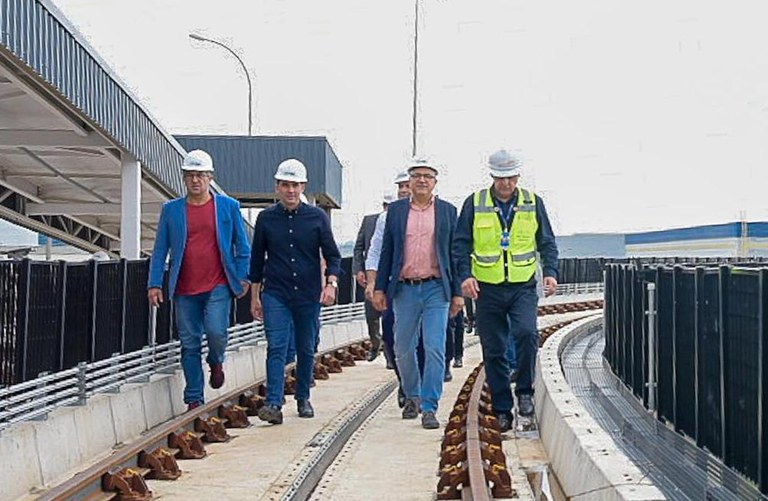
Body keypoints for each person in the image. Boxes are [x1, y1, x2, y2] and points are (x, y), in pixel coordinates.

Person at [452, 149, 558, 432]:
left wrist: (550, 273)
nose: (506, 184)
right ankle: (502, 409)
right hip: (486, 289)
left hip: (522, 286)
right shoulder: (475, 203)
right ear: (492, 176)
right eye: (501, 178)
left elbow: (546, 241)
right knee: (494, 349)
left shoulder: (533, 203)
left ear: (518, 176)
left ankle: (524, 391)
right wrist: (465, 276)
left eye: (511, 178)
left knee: (526, 333)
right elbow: (460, 245)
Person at [147, 150, 251, 411]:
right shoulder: (171, 210)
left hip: (218, 284)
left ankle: (216, 360)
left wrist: (242, 277)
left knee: (216, 332)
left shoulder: (228, 207)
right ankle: (194, 397)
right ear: (183, 178)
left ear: (210, 178)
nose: (195, 181)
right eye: (190, 176)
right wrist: (154, 283)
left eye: (200, 176)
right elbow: (160, 249)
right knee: (189, 342)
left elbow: (243, 246)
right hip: (184, 288)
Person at [249, 158, 342, 425]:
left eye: (295, 185)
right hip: (276, 292)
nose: (290, 190)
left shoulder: (317, 218)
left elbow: (333, 256)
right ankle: (274, 403)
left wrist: (331, 284)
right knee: (276, 346)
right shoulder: (266, 219)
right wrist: (255, 297)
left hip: (307, 294)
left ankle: (303, 397)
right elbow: (257, 261)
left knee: (305, 347)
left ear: (303, 187)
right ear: (277, 187)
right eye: (285, 185)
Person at [373, 158, 463, 430]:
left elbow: (454, 255)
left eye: (427, 176)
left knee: (435, 346)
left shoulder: (448, 211)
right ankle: (412, 394)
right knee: (402, 347)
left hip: (437, 288)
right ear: (409, 182)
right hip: (405, 289)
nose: (422, 180)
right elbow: (388, 250)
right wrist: (379, 287)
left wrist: (457, 293)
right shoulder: (397, 212)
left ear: (435, 182)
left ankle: (429, 405)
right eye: (417, 176)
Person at [365, 170, 425, 405]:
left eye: (405, 186)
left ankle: (415, 389)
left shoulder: (430, 214)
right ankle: (405, 382)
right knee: (392, 337)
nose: (403, 190)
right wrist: (372, 283)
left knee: (421, 339)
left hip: (423, 288)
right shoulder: (386, 218)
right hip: (393, 288)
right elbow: (375, 251)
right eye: (400, 185)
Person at [352, 196, 393, 362]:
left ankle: (390, 355)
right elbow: (359, 248)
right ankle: (376, 344)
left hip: (391, 278)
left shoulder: (402, 220)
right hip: (371, 276)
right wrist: (358, 270)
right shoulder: (370, 221)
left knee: (389, 317)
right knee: (372, 316)